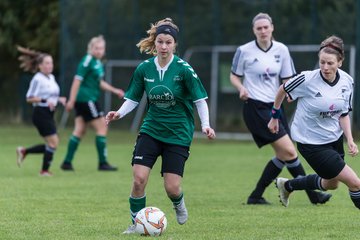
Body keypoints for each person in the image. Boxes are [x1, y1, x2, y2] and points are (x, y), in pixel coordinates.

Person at [105, 17, 216, 234]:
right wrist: (119, 113)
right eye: (160, 42)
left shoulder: (184, 70)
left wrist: (205, 125)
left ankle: (178, 203)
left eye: (168, 42)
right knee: (139, 180)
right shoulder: (144, 69)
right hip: (151, 130)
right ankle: (136, 223)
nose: (164, 46)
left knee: (172, 188)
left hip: (178, 134)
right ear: (154, 43)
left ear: (175, 44)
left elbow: (200, 100)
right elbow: (134, 98)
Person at [230, 12, 331, 205]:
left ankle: (256, 195)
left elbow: (288, 79)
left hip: (276, 107)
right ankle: (313, 195)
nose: (263, 31)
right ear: (254, 30)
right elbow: (234, 75)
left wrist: (292, 94)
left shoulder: (281, 50)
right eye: (258, 28)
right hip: (255, 107)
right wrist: (241, 87)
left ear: (272, 27)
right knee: (290, 152)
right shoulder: (244, 50)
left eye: (266, 27)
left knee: (283, 155)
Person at [269, 35, 360, 209]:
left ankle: (287, 185)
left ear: (340, 63)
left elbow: (343, 114)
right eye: (322, 62)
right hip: (310, 142)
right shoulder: (307, 79)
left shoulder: (347, 81)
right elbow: (282, 90)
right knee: (355, 183)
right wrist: (274, 117)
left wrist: (349, 139)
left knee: (331, 184)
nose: (325, 67)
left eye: (330, 63)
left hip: (333, 140)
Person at [60, 35, 124, 171]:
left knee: (80, 130)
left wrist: (114, 90)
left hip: (86, 100)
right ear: (91, 48)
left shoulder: (98, 63)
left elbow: (99, 83)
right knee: (102, 127)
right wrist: (71, 100)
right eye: (96, 48)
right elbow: (77, 80)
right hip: (86, 100)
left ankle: (66, 162)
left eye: (101, 48)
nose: (99, 51)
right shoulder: (88, 60)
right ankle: (103, 163)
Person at [16, 46, 67, 176]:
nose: (50, 65)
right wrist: (45, 101)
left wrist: (58, 99)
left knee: (52, 143)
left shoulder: (51, 77)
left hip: (49, 114)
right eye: (46, 63)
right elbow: (29, 98)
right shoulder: (37, 78)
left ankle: (24, 151)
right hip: (40, 113)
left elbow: (50, 95)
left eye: (51, 63)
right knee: (53, 142)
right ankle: (44, 171)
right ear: (39, 65)